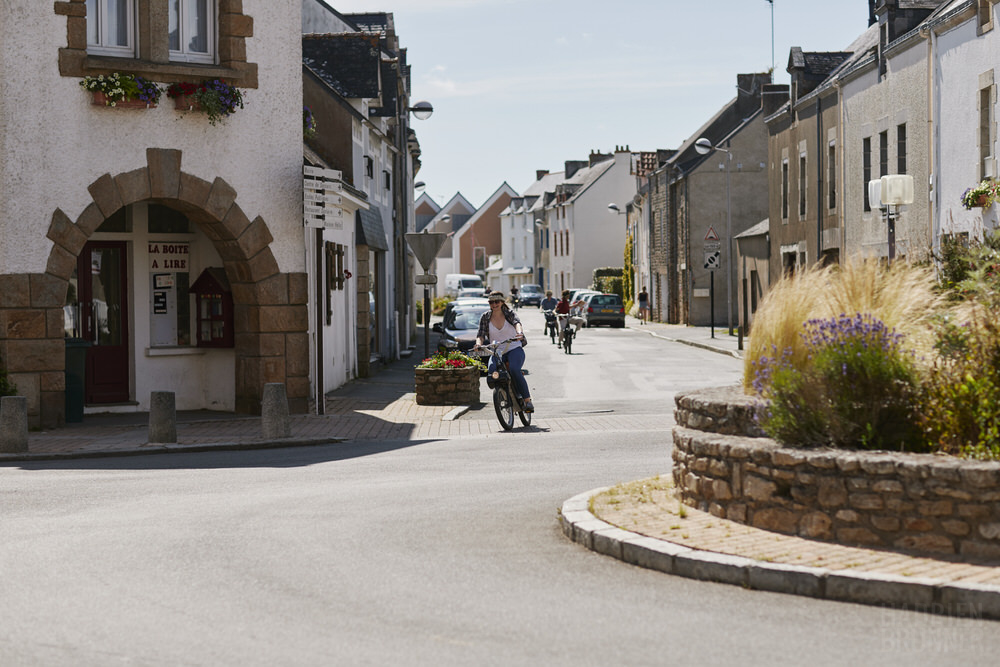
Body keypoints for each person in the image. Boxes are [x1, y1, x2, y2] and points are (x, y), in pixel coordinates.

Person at [475, 291, 533, 412]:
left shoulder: (509, 313)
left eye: (497, 301)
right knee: (491, 372)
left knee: (514, 369)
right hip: (497, 351)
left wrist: (519, 333)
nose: (494, 304)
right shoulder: (485, 317)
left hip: (513, 348)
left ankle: (527, 401)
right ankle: (502, 393)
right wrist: (478, 344)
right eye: (491, 302)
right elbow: (480, 335)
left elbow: (517, 323)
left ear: (502, 302)